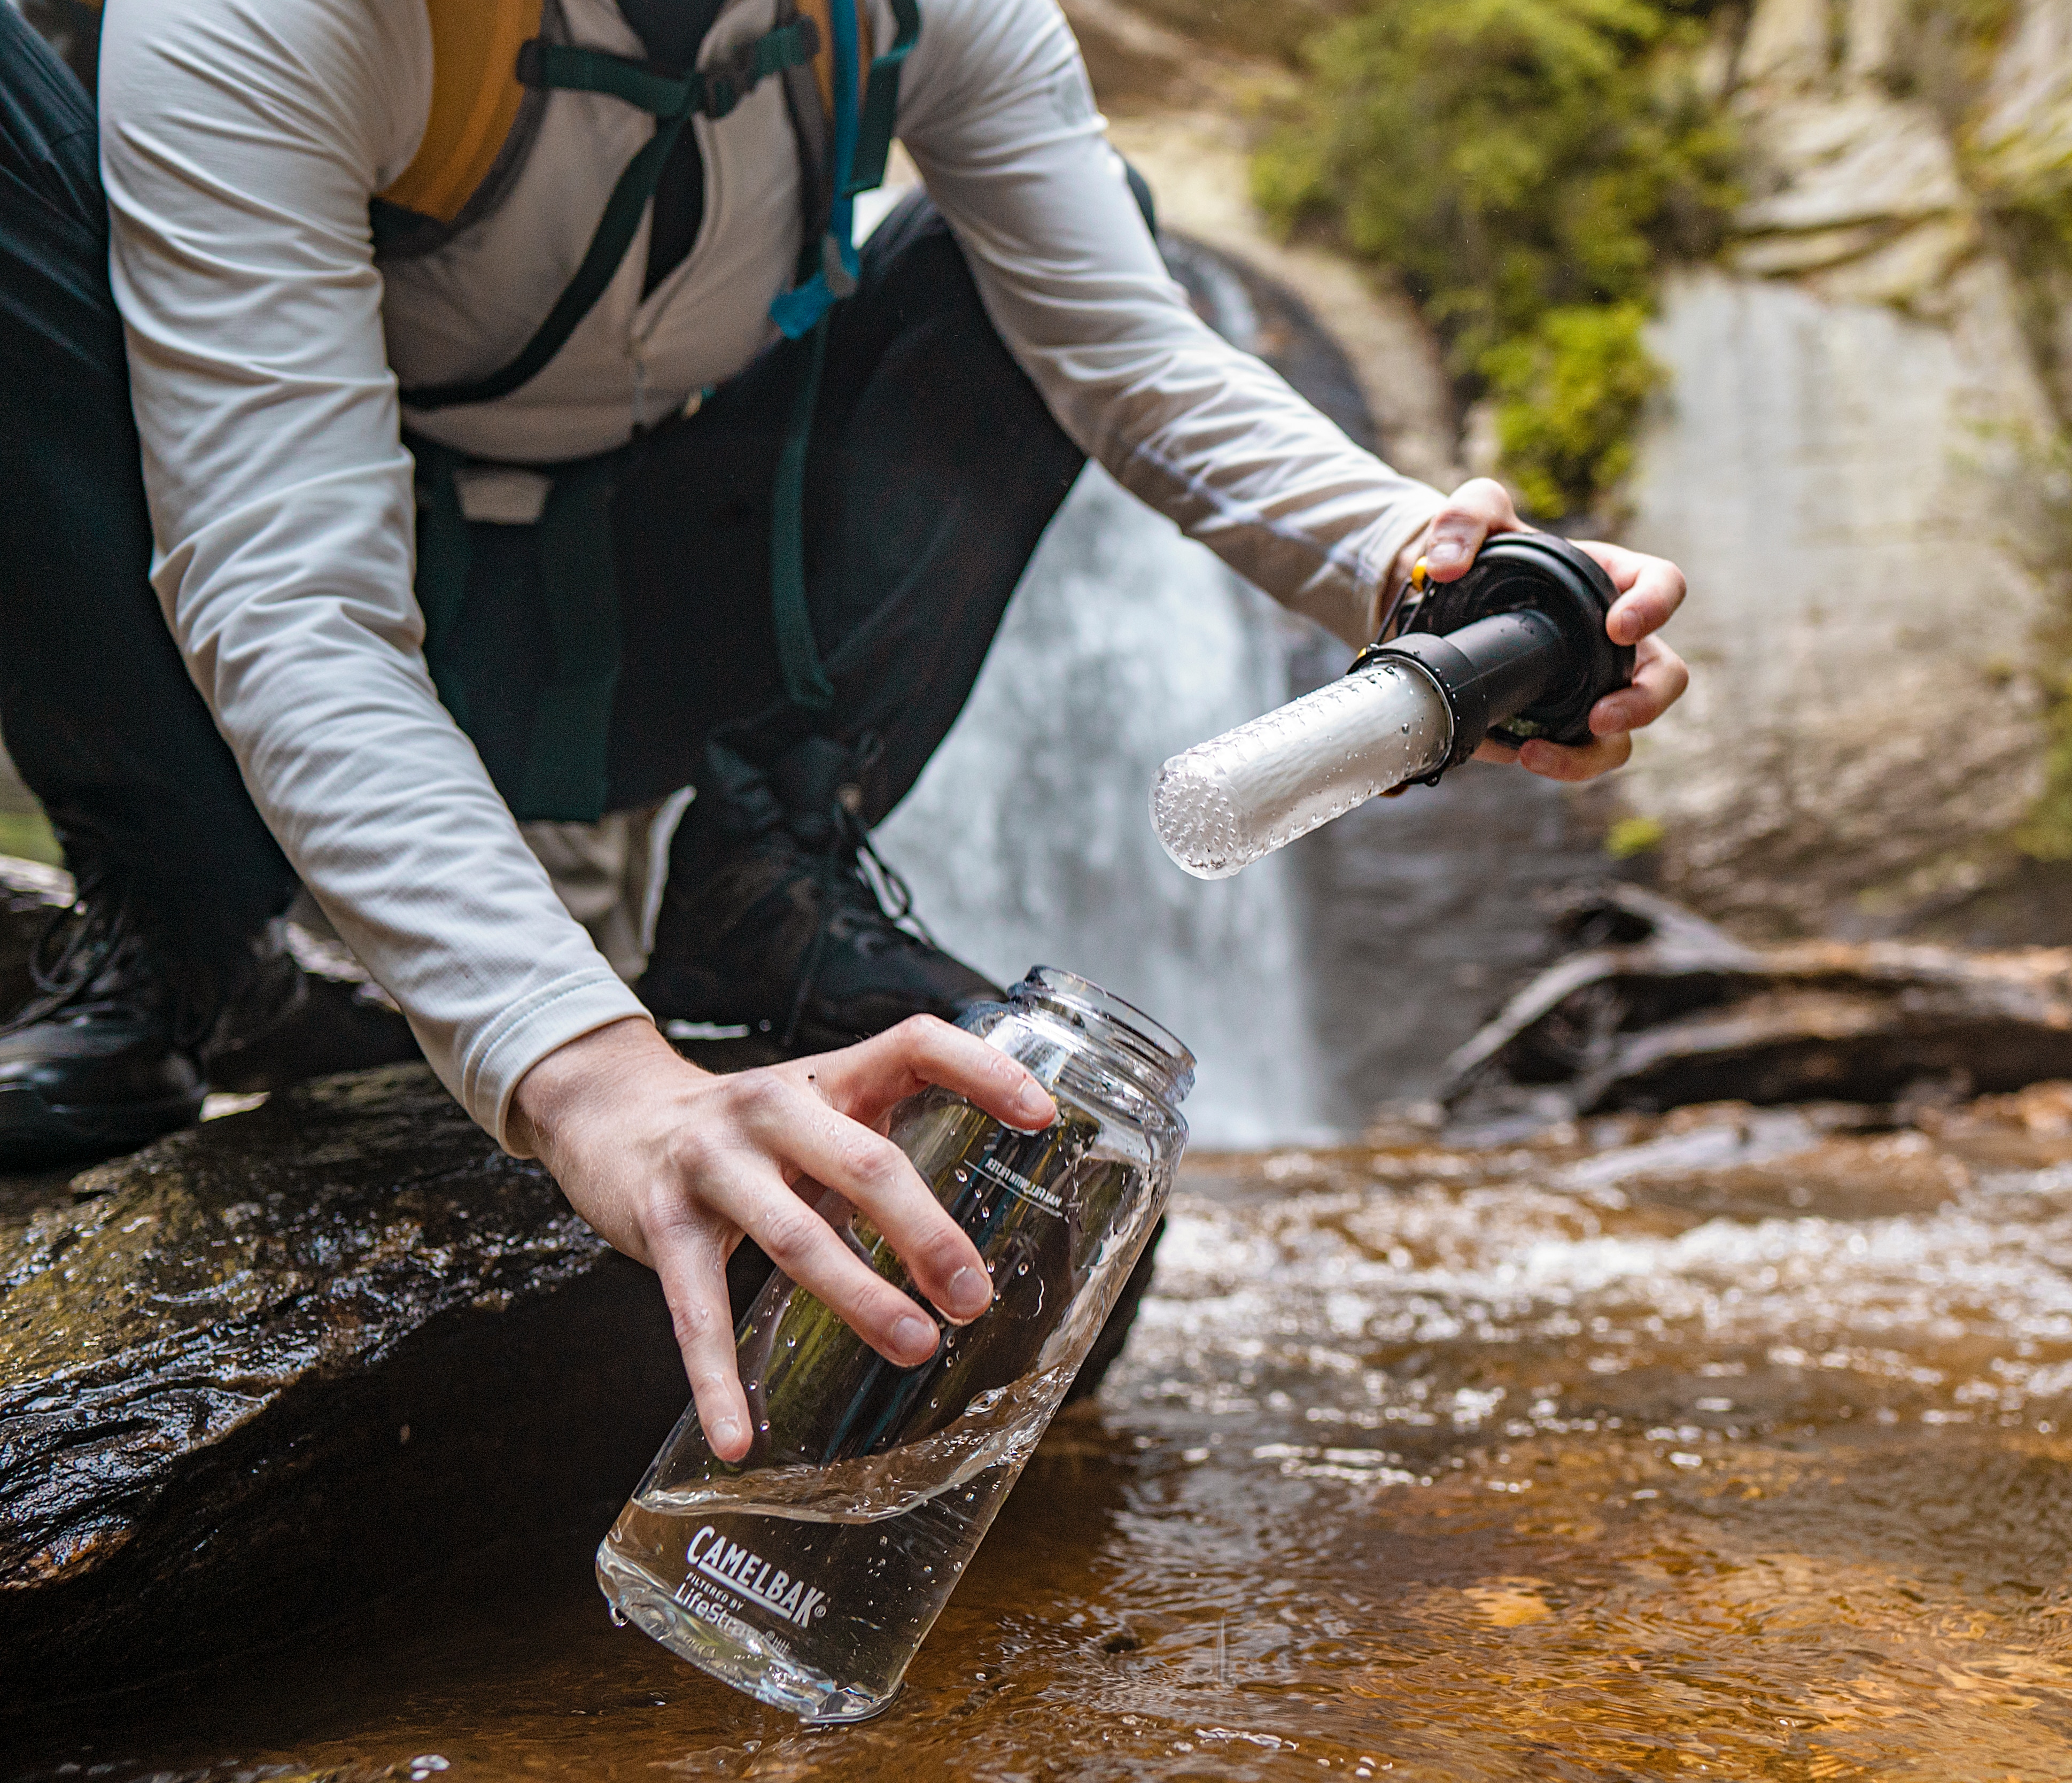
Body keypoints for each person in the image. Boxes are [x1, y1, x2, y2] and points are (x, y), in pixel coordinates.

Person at [0, 0, 1690, 1459]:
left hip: (692, 593)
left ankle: (772, 890)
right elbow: (289, 598)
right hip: (226, 629)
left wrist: (1433, 576)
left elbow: (1126, 354)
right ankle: (178, 925)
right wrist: (597, 1084)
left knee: (1052, 241)